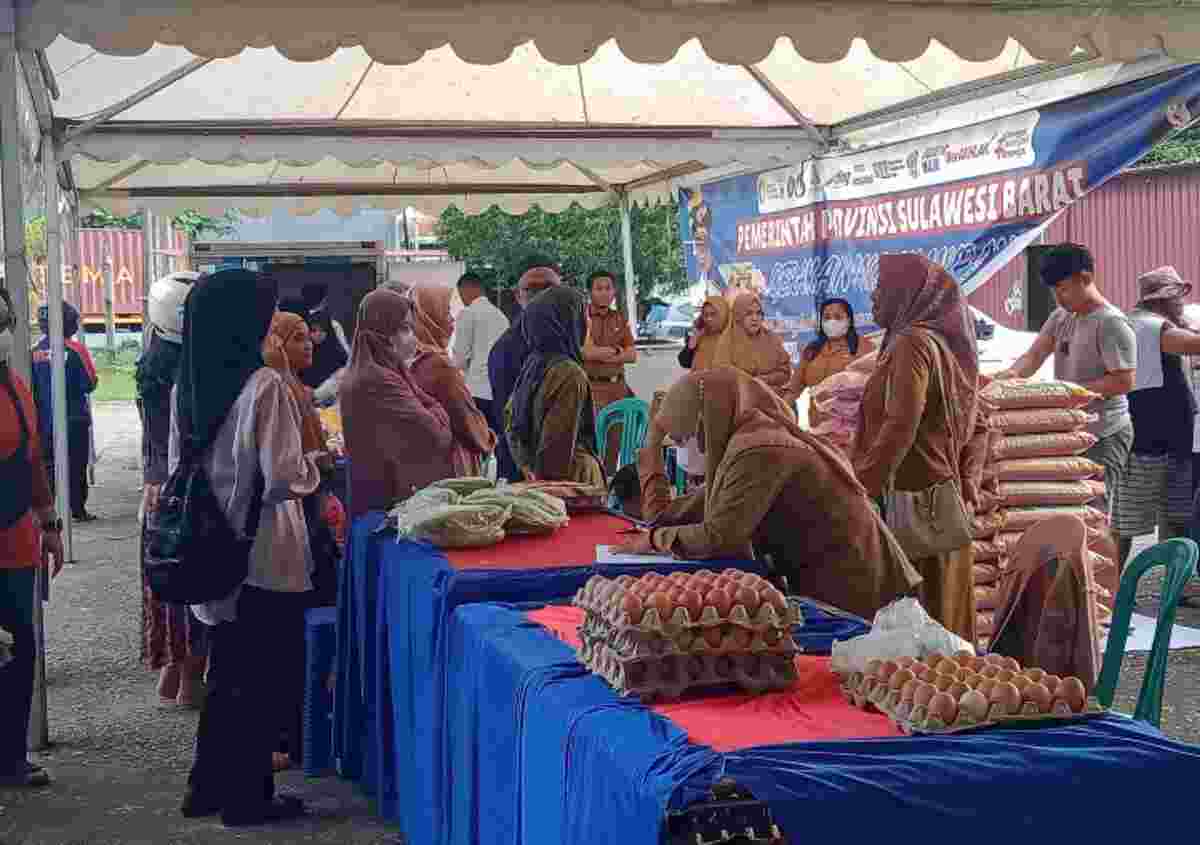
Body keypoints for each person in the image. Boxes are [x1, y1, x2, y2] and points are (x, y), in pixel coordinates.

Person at [173, 269, 321, 827]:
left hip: (210, 545)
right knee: (260, 680)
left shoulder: (190, 382)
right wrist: (316, 467)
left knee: (227, 672)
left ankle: (207, 785)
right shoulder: (265, 385)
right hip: (263, 550)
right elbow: (283, 476)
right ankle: (247, 798)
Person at [614, 366, 921, 620]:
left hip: (857, 587)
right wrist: (652, 446)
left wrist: (655, 540)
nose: (681, 450)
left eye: (683, 439)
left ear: (709, 422)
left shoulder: (758, 450)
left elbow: (719, 536)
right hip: (837, 582)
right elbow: (663, 517)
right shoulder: (739, 446)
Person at [854, 254, 980, 642]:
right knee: (943, 625)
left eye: (881, 287)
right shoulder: (933, 343)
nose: (873, 296)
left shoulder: (913, 343)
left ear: (905, 292)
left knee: (921, 629)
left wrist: (860, 488)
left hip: (914, 505)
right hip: (935, 499)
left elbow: (900, 425)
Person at [994, 244, 1136, 528]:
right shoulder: (1061, 317)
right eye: (1054, 290)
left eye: (1063, 288)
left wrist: (1068, 393)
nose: (1058, 297)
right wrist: (1005, 379)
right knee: (1067, 512)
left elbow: (1123, 380)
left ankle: (1098, 558)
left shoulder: (1111, 323)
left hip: (1104, 433)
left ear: (1085, 278)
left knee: (1093, 512)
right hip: (1070, 431)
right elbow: (1033, 356)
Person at [260, 309, 341, 770]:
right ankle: (286, 735)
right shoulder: (278, 389)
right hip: (292, 516)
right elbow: (285, 471)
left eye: (308, 336)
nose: (307, 343)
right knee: (287, 632)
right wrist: (317, 464)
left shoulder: (291, 386)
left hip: (300, 513)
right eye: (294, 338)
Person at [0, 286, 65, 789]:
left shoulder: (17, 387)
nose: (2, 334)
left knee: (19, 652)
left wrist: (50, 523)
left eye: (4, 322)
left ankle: (10, 757)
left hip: (17, 541)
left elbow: (32, 459)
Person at [137, 271, 208, 707]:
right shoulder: (196, 369)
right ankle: (189, 681)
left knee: (166, 587)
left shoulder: (152, 361)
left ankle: (171, 674)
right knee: (193, 584)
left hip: (157, 492)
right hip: (185, 492)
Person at [341, 288, 455, 515]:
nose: (412, 337)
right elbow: (436, 435)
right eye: (404, 328)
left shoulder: (383, 371)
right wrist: (436, 410)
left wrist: (431, 409)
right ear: (383, 331)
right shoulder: (376, 379)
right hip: (385, 503)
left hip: (384, 495)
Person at [1116, 267, 1200, 574]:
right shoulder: (1152, 326)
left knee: (1173, 519)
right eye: (1177, 298)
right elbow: (1193, 345)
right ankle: (1110, 586)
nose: (1181, 304)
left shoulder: (1143, 322)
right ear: (1162, 300)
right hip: (1149, 442)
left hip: (1167, 439)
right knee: (1126, 524)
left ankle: (1170, 583)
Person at [505, 287, 604, 485]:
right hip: (572, 481)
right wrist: (551, 489)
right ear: (567, 320)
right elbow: (555, 451)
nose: (588, 321)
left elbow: (511, 421)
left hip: (536, 476)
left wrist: (527, 468)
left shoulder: (534, 363)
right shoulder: (569, 374)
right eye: (584, 314)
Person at [487, 258, 563, 481]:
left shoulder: (558, 339)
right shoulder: (509, 348)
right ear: (518, 296)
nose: (542, 297)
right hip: (528, 468)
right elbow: (511, 419)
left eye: (548, 289)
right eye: (533, 290)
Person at [411, 284, 496, 476]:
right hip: (448, 463)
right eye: (446, 312)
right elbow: (466, 422)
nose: (452, 319)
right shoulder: (439, 366)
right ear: (430, 317)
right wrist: (489, 439)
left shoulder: (409, 357)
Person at [31, 301, 98, 521]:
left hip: (44, 420)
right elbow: (90, 382)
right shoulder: (76, 350)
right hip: (74, 419)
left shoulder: (34, 351)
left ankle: (48, 510)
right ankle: (77, 509)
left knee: (48, 466)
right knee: (76, 465)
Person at [786, 297, 876, 424]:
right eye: (826, 318)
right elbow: (794, 388)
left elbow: (875, 391)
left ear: (849, 320)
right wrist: (779, 410)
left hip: (852, 428)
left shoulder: (865, 348)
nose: (832, 321)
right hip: (817, 428)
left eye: (838, 317)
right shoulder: (811, 350)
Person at [583, 270, 638, 472]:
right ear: (589, 292)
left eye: (608, 288)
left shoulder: (619, 318)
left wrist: (603, 353)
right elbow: (585, 353)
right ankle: (595, 483)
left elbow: (632, 355)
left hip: (618, 387)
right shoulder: (582, 318)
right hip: (592, 388)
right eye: (599, 288)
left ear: (614, 291)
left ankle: (611, 482)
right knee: (594, 441)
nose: (605, 292)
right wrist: (616, 351)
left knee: (615, 441)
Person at [453, 272, 509, 438]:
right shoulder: (501, 316)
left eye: (460, 294)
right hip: (498, 390)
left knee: (478, 441)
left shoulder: (468, 313)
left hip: (476, 391)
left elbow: (460, 359)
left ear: (466, 289)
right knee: (495, 440)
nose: (461, 299)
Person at [713, 291, 791, 394]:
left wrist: (764, 380)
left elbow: (785, 372)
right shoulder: (727, 342)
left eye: (758, 313)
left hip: (772, 398)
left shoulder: (772, 339)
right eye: (749, 313)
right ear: (738, 316)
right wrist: (748, 381)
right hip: (736, 399)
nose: (755, 318)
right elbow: (720, 374)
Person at [677, 295, 730, 370]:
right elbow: (684, 362)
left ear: (723, 313)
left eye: (713, 314)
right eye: (706, 315)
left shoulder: (732, 337)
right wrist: (691, 345)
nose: (709, 319)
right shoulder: (701, 334)